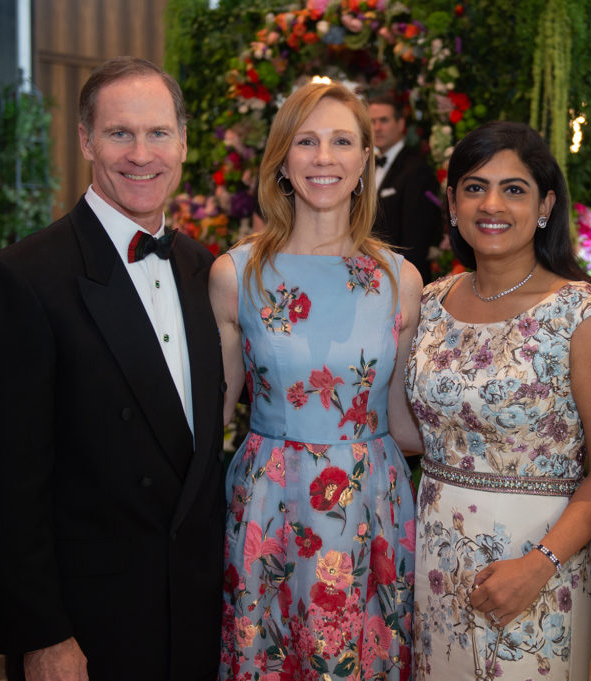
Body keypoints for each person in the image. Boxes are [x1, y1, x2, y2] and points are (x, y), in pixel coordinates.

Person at [0, 57, 225, 681]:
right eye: (118, 133)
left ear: (182, 142)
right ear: (85, 141)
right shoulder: (21, 280)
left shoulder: (204, 269)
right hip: (88, 628)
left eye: (158, 133)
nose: (141, 154)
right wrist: (41, 634)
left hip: (197, 615)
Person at [209, 80, 423, 680]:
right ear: (282, 160)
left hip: (372, 503)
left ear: (363, 163)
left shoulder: (400, 278)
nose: (323, 157)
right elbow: (216, 415)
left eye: (341, 142)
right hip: (269, 501)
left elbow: (404, 419)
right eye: (306, 141)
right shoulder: (235, 274)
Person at [405, 121, 591, 681]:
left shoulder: (583, 314)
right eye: (475, 186)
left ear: (545, 205)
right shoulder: (429, 303)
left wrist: (540, 566)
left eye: (514, 189)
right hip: (435, 565)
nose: (492, 204)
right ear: (454, 203)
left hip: (537, 571)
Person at [369, 95, 442, 283]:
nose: (377, 128)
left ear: (401, 124)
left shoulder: (417, 169)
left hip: (401, 279)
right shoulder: (366, 166)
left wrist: (406, 285)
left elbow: (416, 239)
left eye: (384, 120)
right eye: (372, 121)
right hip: (372, 275)